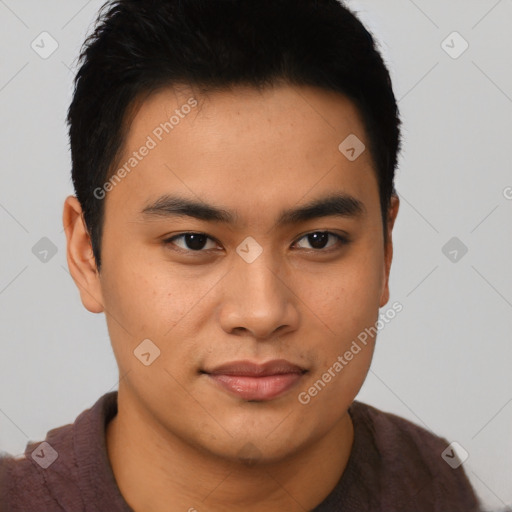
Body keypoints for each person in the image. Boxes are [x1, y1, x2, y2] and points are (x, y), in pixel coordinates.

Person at [0, 0, 482, 510]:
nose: (262, 313)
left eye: (318, 239)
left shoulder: (437, 487)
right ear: (86, 255)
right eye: (193, 241)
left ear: (385, 250)